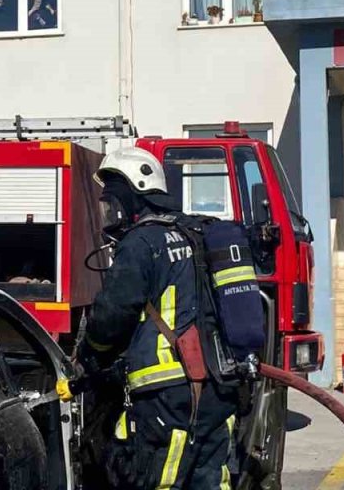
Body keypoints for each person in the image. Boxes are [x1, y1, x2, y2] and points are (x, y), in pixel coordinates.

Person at [75, 147, 240, 488]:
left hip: (165, 393)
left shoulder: (140, 243)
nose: (109, 212)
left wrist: (92, 353)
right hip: (220, 388)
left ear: (133, 195)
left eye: (112, 201)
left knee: (156, 478)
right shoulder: (195, 234)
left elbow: (113, 314)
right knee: (210, 479)